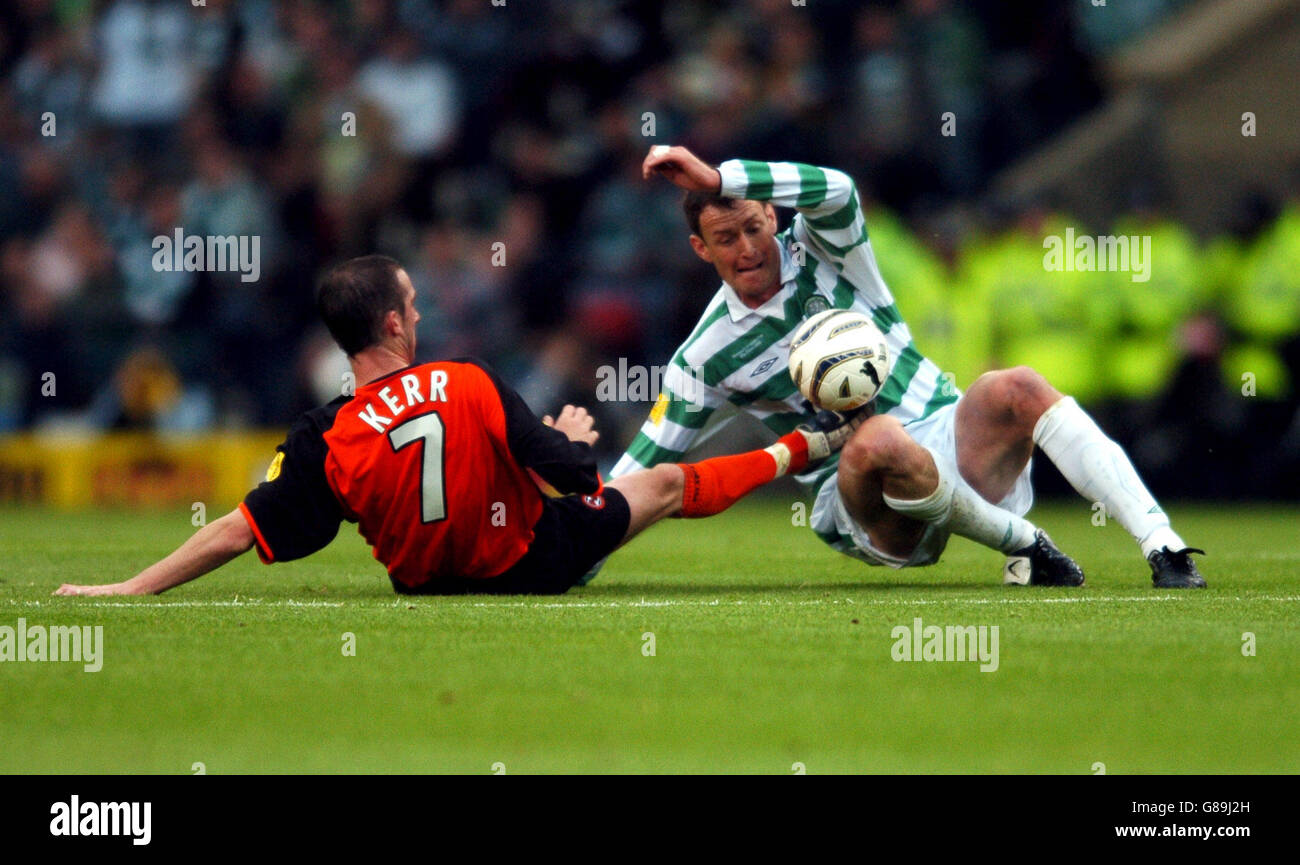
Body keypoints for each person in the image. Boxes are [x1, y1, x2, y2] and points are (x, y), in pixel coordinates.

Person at [54, 255, 859, 597]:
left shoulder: (324, 434)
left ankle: (813, 444)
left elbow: (236, 530)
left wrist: (130, 586)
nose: (419, 310)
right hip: (532, 563)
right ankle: (814, 443)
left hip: (426, 583)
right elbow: (576, 474)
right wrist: (574, 440)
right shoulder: (467, 380)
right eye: (413, 301)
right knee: (659, 484)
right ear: (397, 323)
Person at [599, 145, 1206, 589]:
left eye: (754, 227)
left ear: (774, 217)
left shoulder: (827, 250)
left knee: (1017, 385)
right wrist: (576, 542)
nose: (748, 248)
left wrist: (720, 176)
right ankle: (1028, 543)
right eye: (726, 238)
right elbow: (644, 465)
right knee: (878, 438)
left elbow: (836, 189)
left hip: (949, 436)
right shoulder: (706, 355)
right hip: (863, 502)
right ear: (700, 249)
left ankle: (1164, 546)